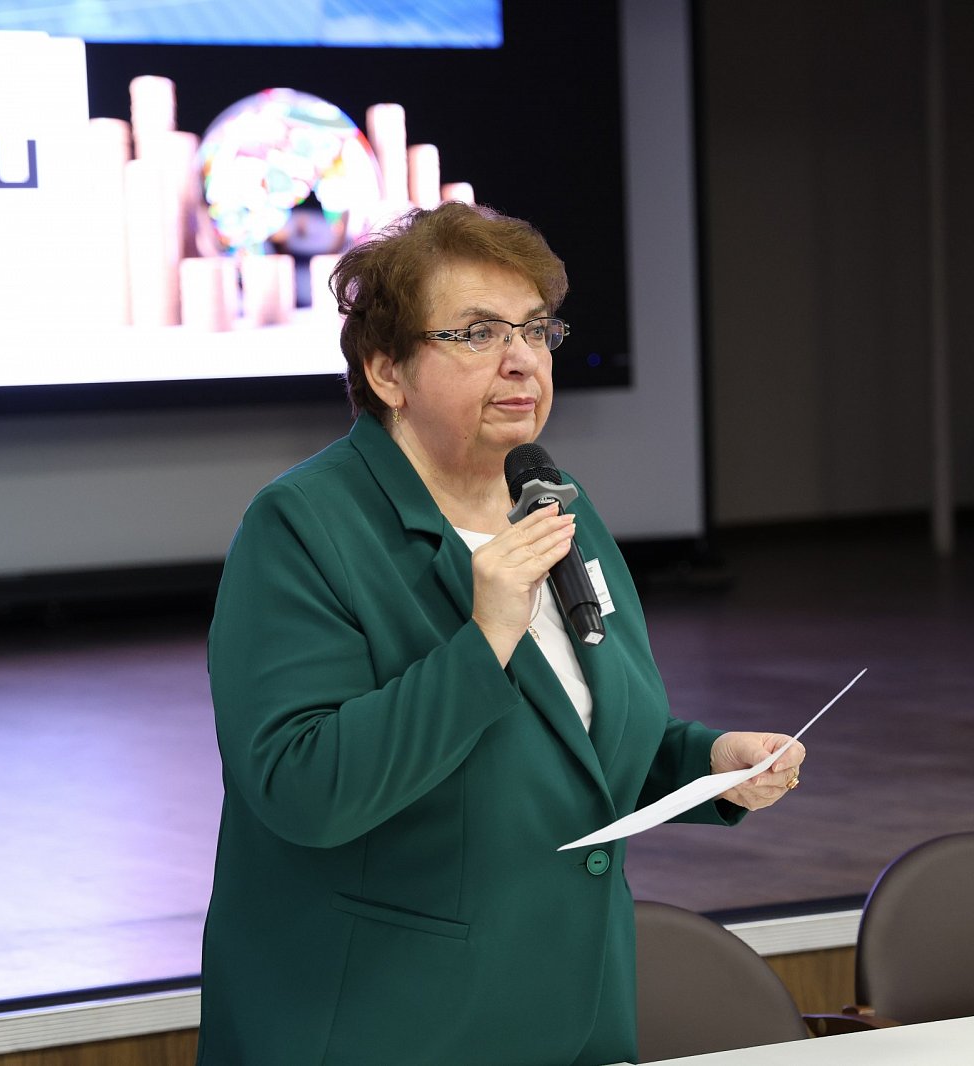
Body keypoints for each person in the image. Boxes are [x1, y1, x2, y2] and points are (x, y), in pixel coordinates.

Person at [197, 201, 805, 1066]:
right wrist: (484, 638)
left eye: (535, 329)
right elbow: (305, 788)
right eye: (479, 333)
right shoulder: (304, 525)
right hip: (385, 1027)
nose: (522, 359)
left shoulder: (552, 502)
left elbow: (570, 738)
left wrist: (707, 762)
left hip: (572, 1010)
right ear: (387, 371)